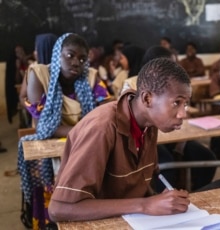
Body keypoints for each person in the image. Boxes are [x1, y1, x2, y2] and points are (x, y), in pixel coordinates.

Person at [48, 58, 191, 221]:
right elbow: (58, 209)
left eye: (185, 104)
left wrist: (161, 199)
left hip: (131, 220)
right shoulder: (101, 128)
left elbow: (143, 182)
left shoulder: (149, 122)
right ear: (147, 99)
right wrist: (145, 204)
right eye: (176, 103)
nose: (183, 114)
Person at [17, 33, 111, 229]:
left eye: (82, 58)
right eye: (70, 55)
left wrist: (91, 128)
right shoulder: (39, 75)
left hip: (83, 141)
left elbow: (108, 112)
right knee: (51, 183)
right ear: (57, 54)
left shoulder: (91, 77)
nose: (76, 62)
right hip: (48, 147)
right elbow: (46, 127)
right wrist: (88, 128)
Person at [121, 46, 217, 192]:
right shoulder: (133, 84)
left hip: (174, 135)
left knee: (207, 157)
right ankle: (164, 200)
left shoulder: (175, 84)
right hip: (152, 138)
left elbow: (180, 108)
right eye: (169, 65)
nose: (174, 69)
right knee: (166, 165)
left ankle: (197, 197)